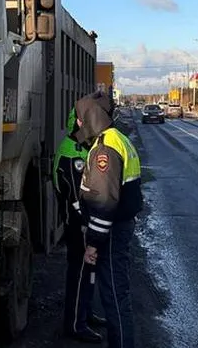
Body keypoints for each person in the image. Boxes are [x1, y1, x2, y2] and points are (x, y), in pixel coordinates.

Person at [73, 91, 143, 348]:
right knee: (116, 293)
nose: (78, 123)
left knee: (114, 295)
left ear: (91, 116)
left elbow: (104, 203)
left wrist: (92, 243)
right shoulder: (116, 139)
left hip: (112, 233)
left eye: (81, 118)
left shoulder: (105, 149)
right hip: (119, 228)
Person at [53, 108, 107, 343]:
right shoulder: (71, 155)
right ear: (80, 125)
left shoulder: (81, 147)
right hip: (78, 227)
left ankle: (86, 313)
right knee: (80, 273)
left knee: (89, 272)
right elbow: (77, 200)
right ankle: (75, 324)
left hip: (83, 225)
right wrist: (91, 227)